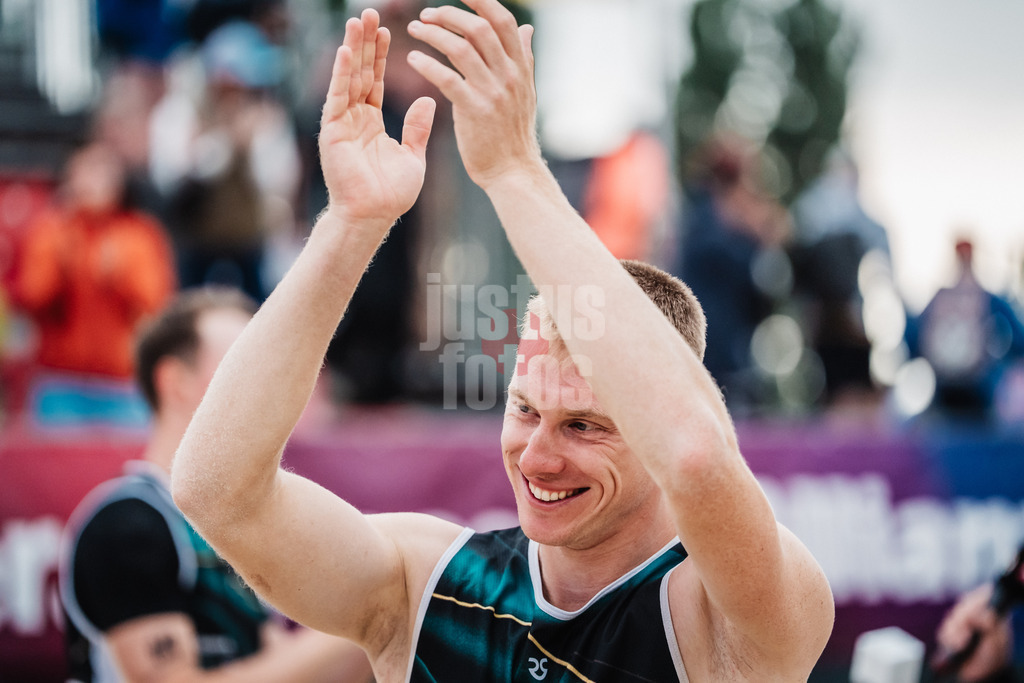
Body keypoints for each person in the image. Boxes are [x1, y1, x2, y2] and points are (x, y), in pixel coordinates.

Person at [171, 4, 835, 682]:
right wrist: (351, 222)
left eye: (584, 424)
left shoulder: (719, 619)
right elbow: (215, 492)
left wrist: (515, 170)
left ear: (652, 426)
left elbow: (695, 453)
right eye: (524, 410)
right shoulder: (426, 584)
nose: (538, 456)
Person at [59, 287, 373, 683]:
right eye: (243, 364)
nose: (268, 384)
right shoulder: (127, 524)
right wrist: (372, 618)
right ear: (174, 382)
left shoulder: (232, 529)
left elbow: (274, 666)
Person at [13, 140, 175, 380]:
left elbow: (156, 305)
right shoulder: (50, 232)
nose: (94, 180)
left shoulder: (141, 234)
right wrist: (60, 264)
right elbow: (31, 298)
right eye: (86, 170)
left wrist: (119, 276)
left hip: (121, 380)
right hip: (59, 376)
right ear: (70, 176)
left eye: (103, 170)